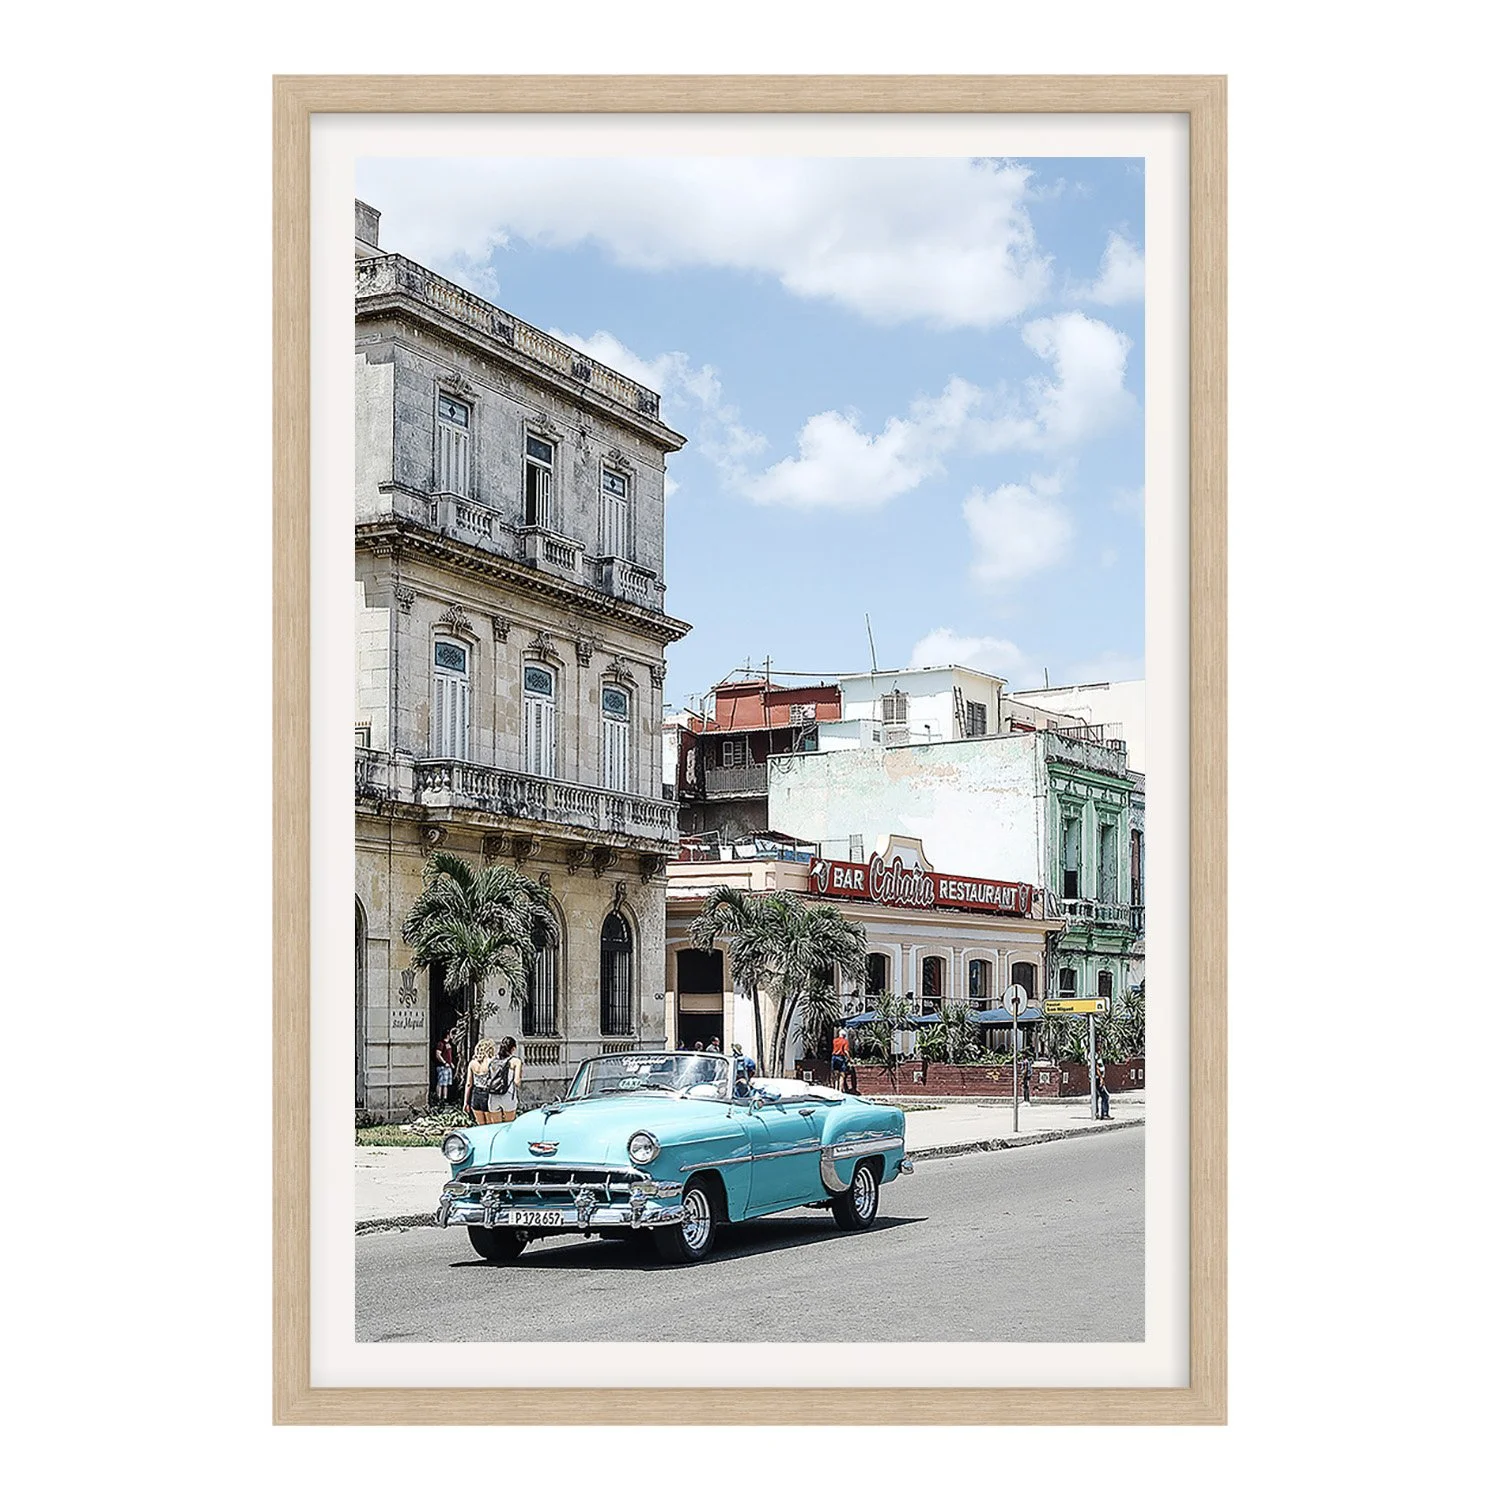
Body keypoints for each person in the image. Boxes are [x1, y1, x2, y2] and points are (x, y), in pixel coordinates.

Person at [488, 1036, 522, 1123]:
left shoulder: (492, 1060)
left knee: (496, 1127)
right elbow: (517, 1081)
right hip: (508, 1095)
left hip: (493, 1095)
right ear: (513, 1048)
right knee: (508, 1125)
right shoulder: (515, 1061)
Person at [465, 1037, 498, 1124]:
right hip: (487, 1094)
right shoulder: (492, 1062)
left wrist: (466, 1102)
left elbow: (468, 1084)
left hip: (475, 1094)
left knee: (480, 1125)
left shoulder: (472, 1063)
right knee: (490, 1125)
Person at [434, 1029, 456, 1105]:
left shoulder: (448, 1044)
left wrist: (450, 1063)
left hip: (448, 1066)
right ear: (447, 1035)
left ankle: (445, 1098)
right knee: (441, 1083)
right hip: (442, 1067)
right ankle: (438, 1099)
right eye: (450, 1034)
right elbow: (438, 1054)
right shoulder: (441, 1044)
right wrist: (444, 1062)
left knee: (446, 1084)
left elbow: (448, 1055)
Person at [831, 1027, 851, 1092]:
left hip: (834, 1057)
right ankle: (840, 1090)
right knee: (842, 1075)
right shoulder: (845, 1041)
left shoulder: (834, 1040)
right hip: (841, 1057)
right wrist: (849, 1058)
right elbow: (845, 1051)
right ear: (844, 1035)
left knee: (836, 1074)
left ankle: (835, 1088)